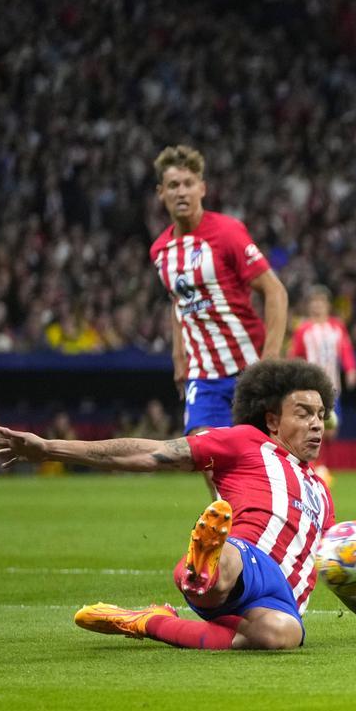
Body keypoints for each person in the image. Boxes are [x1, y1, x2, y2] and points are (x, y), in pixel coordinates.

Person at [0, 360, 356, 649]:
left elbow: (338, 572)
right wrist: (53, 449)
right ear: (271, 419)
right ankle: (205, 561)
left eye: (321, 415)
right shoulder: (245, 443)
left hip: (276, 603)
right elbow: (153, 452)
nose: (317, 424)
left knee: (283, 637)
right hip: (245, 560)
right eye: (303, 413)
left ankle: (151, 621)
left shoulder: (322, 493)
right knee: (231, 558)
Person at [150, 145, 288, 494]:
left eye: (188, 183)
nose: (181, 191)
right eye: (173, 185)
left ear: (202, 188)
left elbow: (275, 292)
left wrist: (269, 361)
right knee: (205, 458)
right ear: (160, 193)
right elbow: (178, 301)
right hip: (204, 376)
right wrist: (179, 355)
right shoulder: (160, 251)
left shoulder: (227, 233)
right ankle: (231, 533)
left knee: (271, 463)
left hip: (249, 367)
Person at [288, 285, 356, 442]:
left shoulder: (337, 327)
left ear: (328, 305)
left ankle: (322, 463)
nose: (317, 305)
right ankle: (316, 465)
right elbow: (294, 356)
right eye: (313, 301)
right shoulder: (303, 329)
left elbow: (346, 350)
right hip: (310, 388)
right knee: (313, 427)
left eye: (320, 301)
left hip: (333, 386)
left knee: (331, 430)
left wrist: (351, 369)